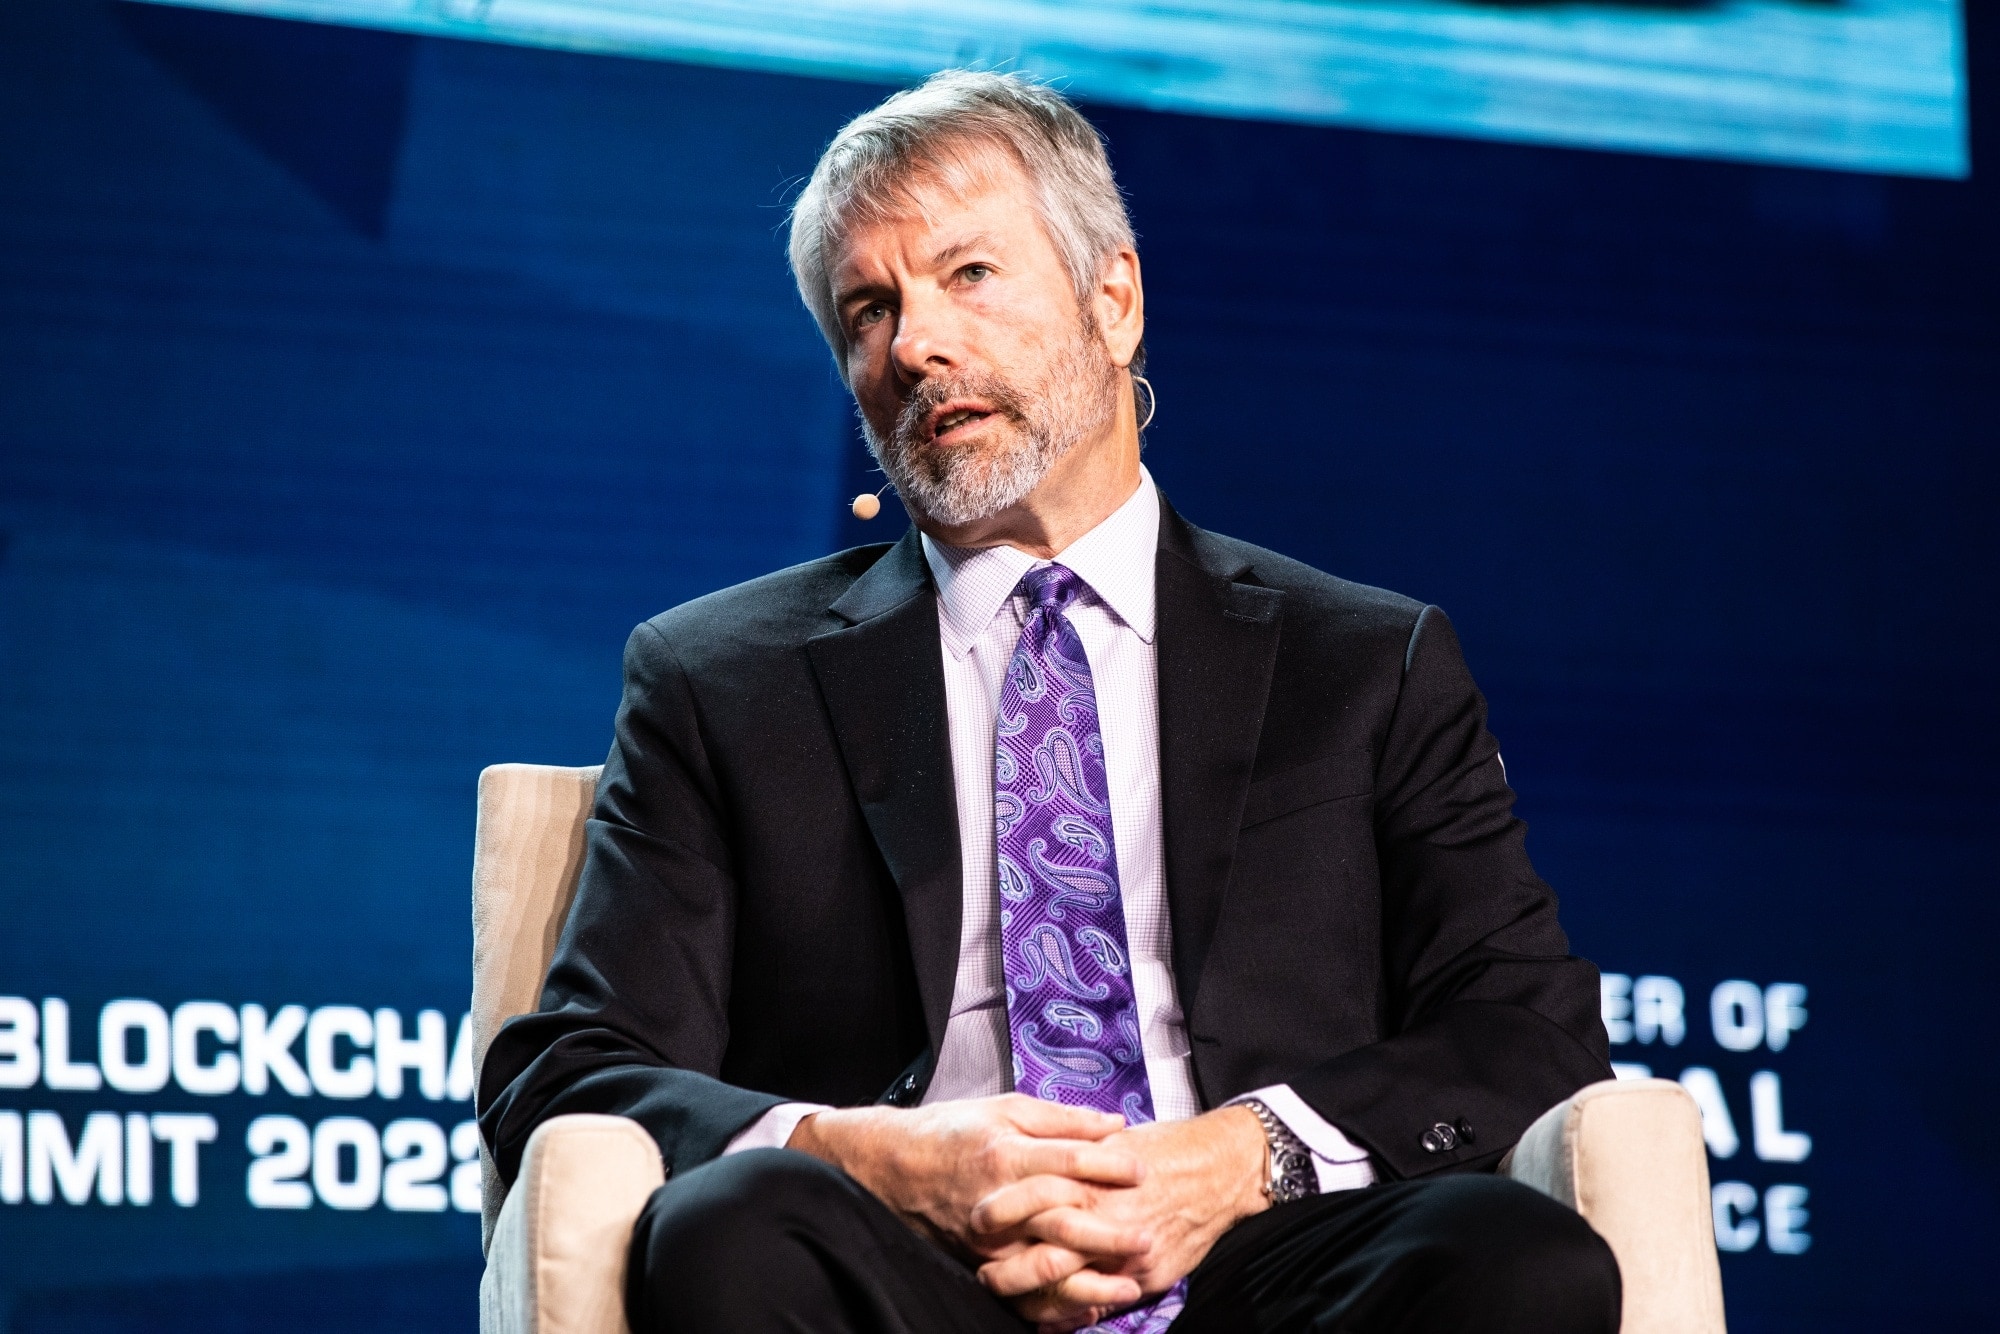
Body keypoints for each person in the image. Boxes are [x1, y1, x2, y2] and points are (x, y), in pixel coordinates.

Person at [480, 69, 1620, 1334]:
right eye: (868, 309)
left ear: (1111, 300)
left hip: (1258, 1262)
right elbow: (569, 1066)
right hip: (909, 1269)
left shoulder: (1361, 661)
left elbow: (1528, 1025)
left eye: (966, 273)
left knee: (1516, 1256)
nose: (913, 345)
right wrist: (869, 1154)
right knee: (734, 1229)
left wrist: (1234, 1157)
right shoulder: (721, 678)